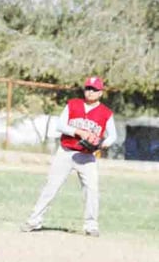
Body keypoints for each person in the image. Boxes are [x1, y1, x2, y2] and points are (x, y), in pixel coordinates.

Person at [21, 76, 117, 237]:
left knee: (92, 190)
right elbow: (60, 125)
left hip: (87, 157)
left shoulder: (106, 113)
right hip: (65, 152)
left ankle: (91, 225)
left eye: (94, 89)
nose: (90, 92)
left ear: (101, 93)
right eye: (88, 88)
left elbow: (113, 136)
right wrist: (78, 132)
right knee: (51, 187)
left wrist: (101, 144)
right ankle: (34, 221)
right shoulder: (73, 104)